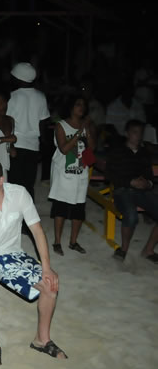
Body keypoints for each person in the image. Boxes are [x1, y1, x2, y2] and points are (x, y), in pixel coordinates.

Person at [0, 159, 66, 364]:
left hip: (12, 254)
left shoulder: (19, 194)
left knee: (50, 285)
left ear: (1, 180)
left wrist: (47, 268)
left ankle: (42, 340)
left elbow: (37, 231)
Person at [48, 96, 95, 256]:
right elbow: (64, 149)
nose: (81, 107)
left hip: (80, 171)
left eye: (83, 105)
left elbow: (92, 147)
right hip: (64, 172)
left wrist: (86, 130)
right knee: (61, 207)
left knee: (79, 209)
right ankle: (57, 241)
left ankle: (73, 242)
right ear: (70, 107)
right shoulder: (61, 125)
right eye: (77, 104)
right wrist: (79, 132)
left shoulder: (86, 126)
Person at [107, 120, 158, 261]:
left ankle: (148, 250)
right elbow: (110, 175)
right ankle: (123, 250)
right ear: (127, 133)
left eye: (140, 132)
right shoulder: (118, 152)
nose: (138, 135)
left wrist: (147, 183)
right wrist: (130, 182)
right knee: (131, 215)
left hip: (142, 191)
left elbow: (150, 177)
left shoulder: (144, 153)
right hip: (122, 190)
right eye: (135, 132)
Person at [6, 62, 49, 199]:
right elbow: (43, 124)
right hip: (33, 146)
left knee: (14, 185)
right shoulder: (41, 96)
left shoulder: (12, 97)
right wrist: (42, 146)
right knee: (28, 185)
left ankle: (15, 218)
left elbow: (7, 123)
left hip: (15, 146)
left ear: (19, 78)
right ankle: (27, 218)